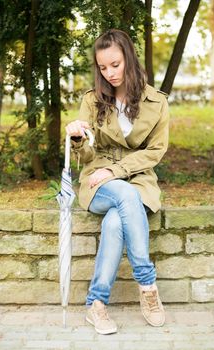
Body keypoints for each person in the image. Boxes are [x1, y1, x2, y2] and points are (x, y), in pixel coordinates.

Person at [66, 28, 169, 335]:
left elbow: (155, 151)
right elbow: (84, 158)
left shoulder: (157, 102)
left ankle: (95, 305)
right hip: (97, 182)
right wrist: (76, 139)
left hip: (138, 180)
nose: (109, 73)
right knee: (122, 195)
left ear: (129, 59)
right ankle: (148, 285)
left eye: (115, 64)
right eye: (102, 67)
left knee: (114, 222)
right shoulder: (92, 100)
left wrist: (117, 170)